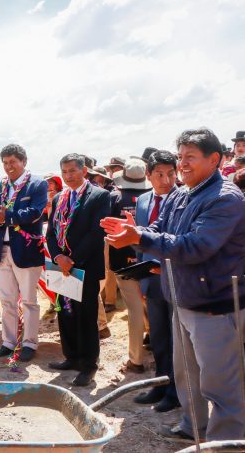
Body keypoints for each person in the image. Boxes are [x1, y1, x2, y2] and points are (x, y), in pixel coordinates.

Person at [102, 128, 245, 442]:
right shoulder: (183, 194)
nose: (183, 164)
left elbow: (196, 247)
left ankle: (225, 443)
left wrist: (141, 237)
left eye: (190, 157)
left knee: (220, 385)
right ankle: (192, 427)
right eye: (181, 156)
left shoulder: (225, 198)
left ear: (216, 159)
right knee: (187, 376)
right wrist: (135, 229)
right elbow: (159, 228)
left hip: (215, 307)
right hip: (182, 299)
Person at [46, 153, 110, 387]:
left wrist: (71, 259)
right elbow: (51, 233)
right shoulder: (60, 197)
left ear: (84, 171)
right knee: (65, 312)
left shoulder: (99, 196)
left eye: (72, 171)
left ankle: (88, 365)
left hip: (85, 267)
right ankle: (71, 357)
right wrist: (57, 256)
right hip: (61, 267)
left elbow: (97, 233)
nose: (68, 176)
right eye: (64, 172)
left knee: (86, 316)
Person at [0, 144, 47, 363]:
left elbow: (36, 212)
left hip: (26, 250)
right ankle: (8, 342)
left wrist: (8, 217)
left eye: (13, 162)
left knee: (29, 300)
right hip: (1, 250)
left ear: (24, 161)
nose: (9, 167)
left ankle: (29, 343)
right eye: (5, 163)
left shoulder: (37, 184)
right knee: (7, 299)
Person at [130, 149, 180, 413]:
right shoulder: (143, 201)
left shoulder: (184, 199)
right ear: (148, 175)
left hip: (175, 276)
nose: (166, 180)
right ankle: (161, 385)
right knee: (159, 337)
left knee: (177, 340)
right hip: (149, 278)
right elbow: (141, 240)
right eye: (159, 174)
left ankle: (177, 392)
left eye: (171, 173)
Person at [108, 157, 151, 374]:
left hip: (122, 261)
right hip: (148, 258)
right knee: (148, 302)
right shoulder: (153, 198)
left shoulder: (115, 198)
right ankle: (152, 337)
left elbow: (106, 229)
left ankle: (136, 360)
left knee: (133, 308)